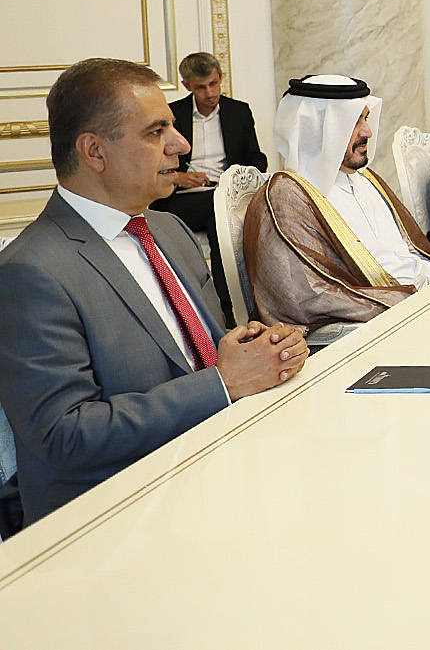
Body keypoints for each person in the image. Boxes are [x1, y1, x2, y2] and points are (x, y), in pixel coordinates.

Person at [0, 59, 305, 526]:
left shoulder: (167, 229)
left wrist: (264, 348)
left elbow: (209, 349)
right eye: (156, 131)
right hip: (118, 514)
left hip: (223, 463)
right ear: (94, 151)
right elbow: (66, 436)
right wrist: (225, 384)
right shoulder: (32, 271)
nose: (181, 145)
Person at [244, 75, 430, 332]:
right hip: (388, 324)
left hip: (428, 300)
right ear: (318, 129)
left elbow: (409, 249)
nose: (368, 132)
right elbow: (307, 296)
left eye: (365, 118)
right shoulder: (287, 197)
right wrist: (408, 301)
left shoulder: (364, 178)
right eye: (354, 121)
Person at [151, 51, 268, 325]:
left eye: (214, 84)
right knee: (218, 213)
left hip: (222, 194)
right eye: (201, 87)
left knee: (218, 216)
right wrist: (179, 177)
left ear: (221, 78)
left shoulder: (239, 111)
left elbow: (257, 158)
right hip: (183, 198)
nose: (210, 92)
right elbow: (153, 162)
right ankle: (231, 309)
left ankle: (226, 309)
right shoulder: (172, 115)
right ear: (187, 86)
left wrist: (232, 178)